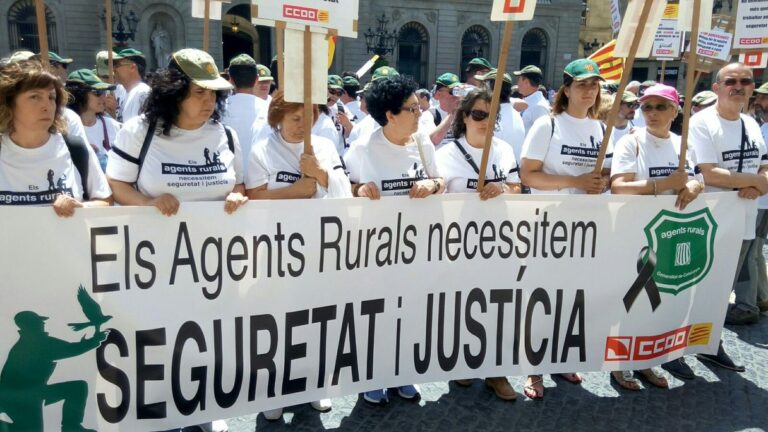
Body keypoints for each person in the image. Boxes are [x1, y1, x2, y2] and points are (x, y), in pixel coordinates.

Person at [106, 50, 247, 431]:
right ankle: (163, 408)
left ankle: (204, 406)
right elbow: (116, 183)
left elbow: (237, 183)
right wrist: (148, 203)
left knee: (210, 335)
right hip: (157, 263)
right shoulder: (140, 131)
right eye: (200, 93)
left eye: (214, 94)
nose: (210, 102)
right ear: (174, 91)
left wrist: (236, 196)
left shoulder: (226, 134)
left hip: (215, 263)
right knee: (163, 336)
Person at [244, 90, 348, 419]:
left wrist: (319, 173)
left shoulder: (326, 147)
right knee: (276, 321)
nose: (304, 124)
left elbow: (345, 192)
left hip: (318, 252)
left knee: (315, 319)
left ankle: (315, 383)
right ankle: (273, 388)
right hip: (275, 251)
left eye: (311, 115)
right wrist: (295, 192)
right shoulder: (262, 150)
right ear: (278, 118)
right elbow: (254, 197)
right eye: (295, 118)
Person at [344, 75, 444, 404]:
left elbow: (439, 179)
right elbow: (343, 188)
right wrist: (358, 190)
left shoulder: (421, 142)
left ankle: (402, 373)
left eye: (419, 107)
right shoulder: (364, 147)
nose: (420, 113)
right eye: (413, 108)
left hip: (416, 247)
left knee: (410, 310)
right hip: (375, 250)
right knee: (376, 314)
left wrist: (434, 186)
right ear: (389, 115)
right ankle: (371, 375)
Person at [519, 58, 611, 399]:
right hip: (549, 226)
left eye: (595, 84)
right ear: (567, 89)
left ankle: (561, 357)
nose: (590, 90)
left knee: (572, 298)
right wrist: (574, 181)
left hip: (585, 229)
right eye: (583, 84)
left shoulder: (602, 128)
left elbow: (606, 177)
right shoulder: (548, 125)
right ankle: (533, 366)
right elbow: (528, 174)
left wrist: (602, 184)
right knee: (542, 297)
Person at [611, 84, 703, 385]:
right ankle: (619, 362)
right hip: (635, 235)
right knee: (633, 299)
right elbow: (619, 186)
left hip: (671, 235)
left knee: (657, 300)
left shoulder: (683, 144)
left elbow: (699, 177)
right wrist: (662, 185)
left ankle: (644, 361)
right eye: (646, 107)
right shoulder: (631, 142)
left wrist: (694, 186)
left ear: (674, 112)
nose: (651, 113)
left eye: (660, 107)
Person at [437, 88, 521, 400]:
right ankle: (463, 361)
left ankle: (496, 373)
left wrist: (502, 189)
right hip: (460, 245)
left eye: (491, 116)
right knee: (464, 306)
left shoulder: (504, 150)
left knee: (499, 308)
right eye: (479, 114)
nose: (485, 121)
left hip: (500, 243)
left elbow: (517, 187)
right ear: (465, 117)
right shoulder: (446, 155)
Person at [689, 63, 767, 370]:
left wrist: (761, 181)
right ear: (718, 87)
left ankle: (710, 343)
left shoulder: (750, 123)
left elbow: (763, 165)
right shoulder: (702, 122)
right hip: (710, 222)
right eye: (730, 81)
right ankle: (681, 340)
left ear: (752, 87)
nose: (738, 86)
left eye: (745, 81)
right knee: (701, 286)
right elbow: (708, 174)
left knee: (724, 289)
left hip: (745, 220)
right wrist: (753, 182)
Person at [0, 60, 112, 214]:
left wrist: (80, 208)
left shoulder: (74, 148)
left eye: (51, 97)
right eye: (35, 97)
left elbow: (105, 201)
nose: (47, 106)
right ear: (9, 103)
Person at [0, 311, 109, 432]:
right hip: (25, 395)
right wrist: (95, 340)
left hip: (23, 394)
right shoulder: (39, 342)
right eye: (39, 321)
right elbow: (72, 349)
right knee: (77, 388)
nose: (43, 323)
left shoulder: (27, 342)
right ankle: (71, 427)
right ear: (32, 324)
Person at [66, 69, 121, 171]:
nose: (103, 98)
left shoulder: (114, 126)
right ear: (79, 95)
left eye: (104, 92)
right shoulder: (64, 129)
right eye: (97, 92)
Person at [222, 53, 267, 167]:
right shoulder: (269, 110)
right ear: (257, 79)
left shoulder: (218, 109)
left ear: (231, 80)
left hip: (229, 176)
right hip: (262, 178)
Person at [475, 69, 526, 165]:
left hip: (497, 175)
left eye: (482, 86)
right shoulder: (513, 113)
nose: (479, 90)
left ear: (490, 90)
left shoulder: (494, 118)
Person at [111, 47, 150, 122]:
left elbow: (142, 130)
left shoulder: (143, 93)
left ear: (132, 67)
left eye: (117, 65)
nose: (113, 69)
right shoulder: (123, 93)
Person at [513, 65, 550, 133]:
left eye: (519, 80)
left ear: (526, 82)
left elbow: (542, 134)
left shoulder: (539, 106)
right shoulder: (529, 100)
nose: (517, 83)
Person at [429, 73, 462, 147]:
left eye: (458, 90)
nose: (456, 95)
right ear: (438, 94)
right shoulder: (429, 115)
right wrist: (452, 113)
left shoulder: (464, 115)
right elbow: (432, 140)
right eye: (452, 91)